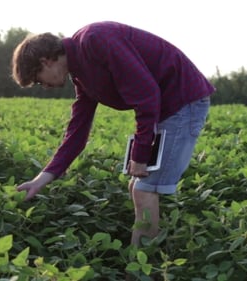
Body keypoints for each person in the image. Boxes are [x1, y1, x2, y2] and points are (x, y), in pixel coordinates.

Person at [11, 21, 214, 247]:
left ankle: (141, 265)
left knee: (144, 189)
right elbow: (77, 133)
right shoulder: (80, 72)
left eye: (39, 79)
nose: (44, 86)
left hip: (183, 101)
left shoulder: (95, 40)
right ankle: (150, 252)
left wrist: (140, 154)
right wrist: (40, 181)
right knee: (136, 186)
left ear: (45, 61)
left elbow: (147, 96)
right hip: (164, 109)